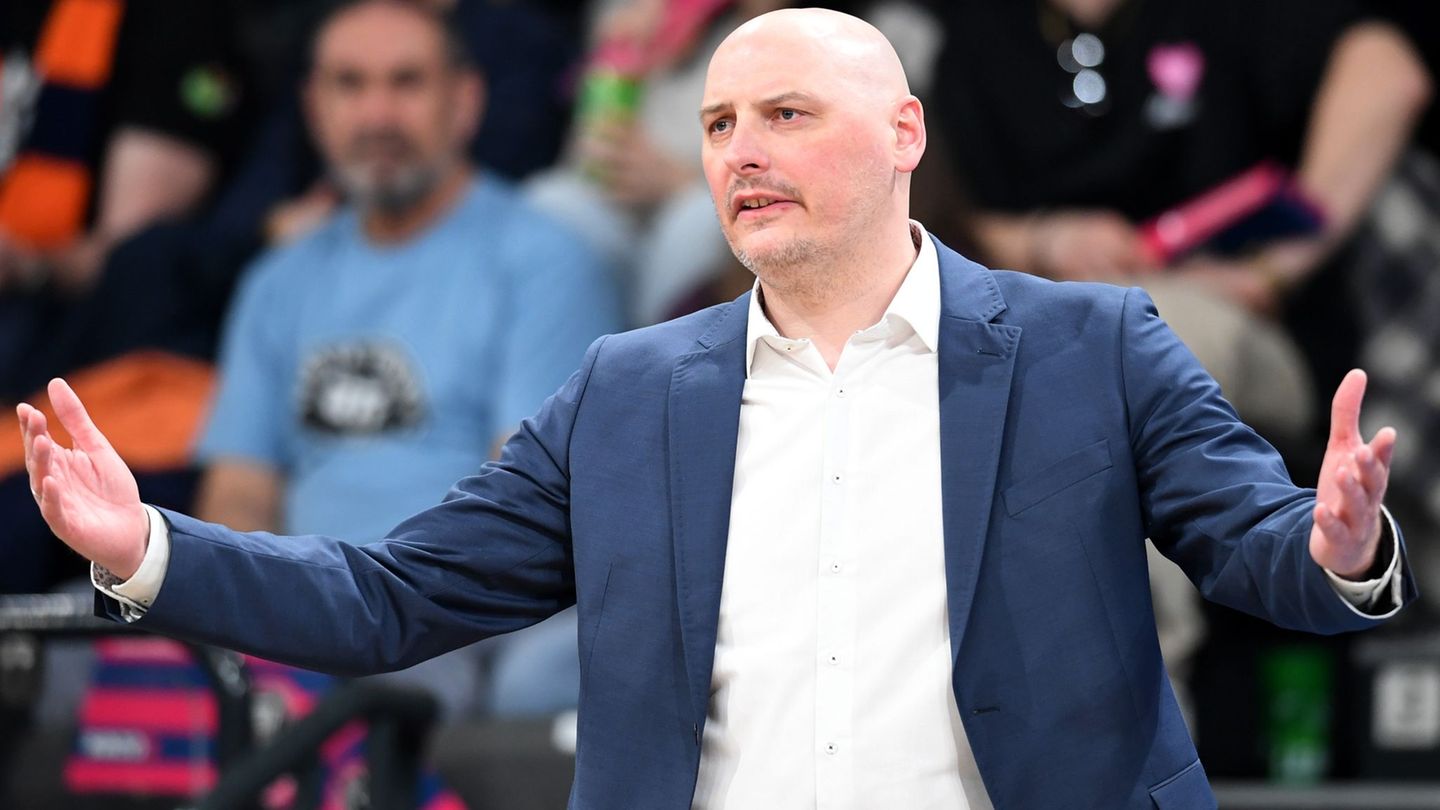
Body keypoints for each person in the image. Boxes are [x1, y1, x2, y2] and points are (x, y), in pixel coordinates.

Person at [17, 9, 1416, 809]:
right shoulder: (628, 387)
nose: (743, 149)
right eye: (719, 123)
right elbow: (390, 599)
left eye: (789, 115)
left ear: (907, 136)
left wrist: (1337, 542)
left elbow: (1259, 549)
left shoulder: (1093, 341)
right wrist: (146, 545)